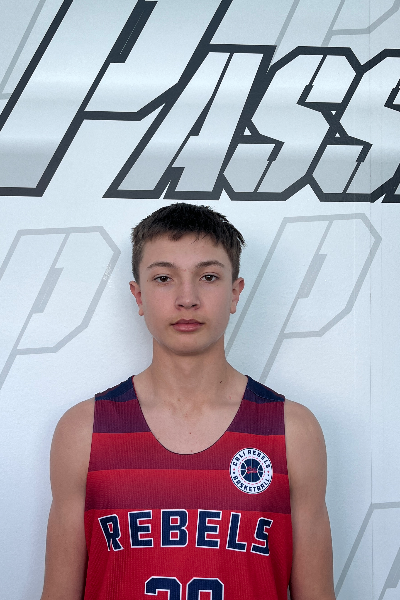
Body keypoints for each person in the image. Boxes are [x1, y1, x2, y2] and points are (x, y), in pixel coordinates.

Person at [41, 203, 336, 600]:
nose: (187, 298)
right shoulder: (83, 432)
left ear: (235, 293)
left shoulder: (292, 432)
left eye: (208, 277)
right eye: (164, 278)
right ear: (138, 295)